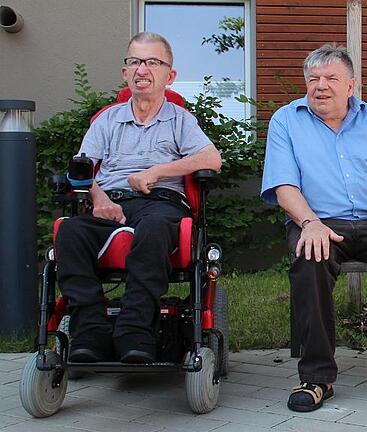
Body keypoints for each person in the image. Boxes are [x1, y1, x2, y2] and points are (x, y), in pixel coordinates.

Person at [261, 44, 367, 412]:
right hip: (317, 220)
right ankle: (317, 376)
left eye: (330, 78)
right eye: (313, 79)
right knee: (310, 258)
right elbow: (283, 185)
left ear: (351, 86)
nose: (320, 86)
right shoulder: (286, 120)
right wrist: (310, 223)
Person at [55, 32, 222, 364]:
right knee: (70, 232)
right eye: (134, 62)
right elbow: (81, 172)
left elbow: (211, 159)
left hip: (160, 203)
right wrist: (100, 199)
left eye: (152, 62)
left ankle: (134, 331)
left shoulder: (180, 120)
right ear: (125, 72)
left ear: (169, 75)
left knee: (155, 229)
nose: (142, 69)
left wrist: (158, 171)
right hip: (111, 204)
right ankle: (91, 332)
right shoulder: (107, 119)